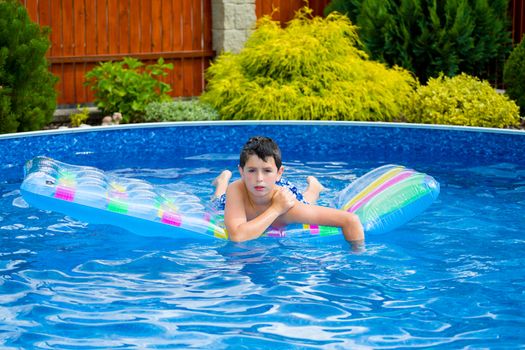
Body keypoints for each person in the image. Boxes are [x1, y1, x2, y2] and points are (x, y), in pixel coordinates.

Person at [212, 136, 365, 247]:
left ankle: (314, 187)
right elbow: (237, 236)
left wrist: (356, 258)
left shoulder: (289, 206)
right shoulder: (237, 189)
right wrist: (275, 209)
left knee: (306, 202)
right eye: (252, 170)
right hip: (259, 194)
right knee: (218, 203)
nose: (259, 178)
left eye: (267, 170)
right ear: (242, 172)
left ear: (279, 173)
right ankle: (223, 180)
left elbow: (350, 220)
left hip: (283, 192)